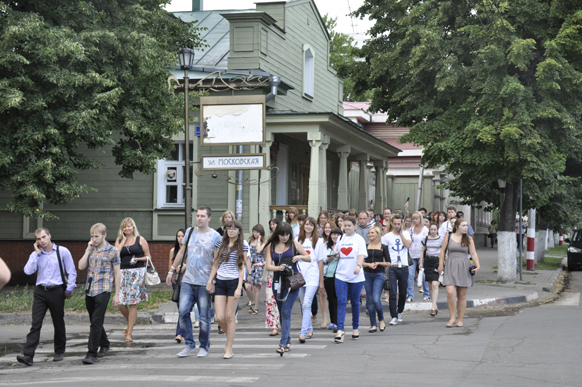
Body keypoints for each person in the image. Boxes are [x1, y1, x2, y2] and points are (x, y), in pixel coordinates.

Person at [166, 206, 222, 358]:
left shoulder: (216, 236)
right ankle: (189, 344)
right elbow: (181, 253)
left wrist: (211, 281)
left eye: (203, 216)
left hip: (204, 282)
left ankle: (204, 346)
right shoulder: (190, 232)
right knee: (183, 312)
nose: (199, 218)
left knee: (204, 317)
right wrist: (171, 270)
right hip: (188, 281)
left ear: (209, 218)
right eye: (198, 215)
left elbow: (217, 261)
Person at [17, 227, 77, 366]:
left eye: (43, 237)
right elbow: (28, 271)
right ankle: (28, 355)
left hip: (57, 291)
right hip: (40, 292)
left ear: (49, 236)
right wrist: (37, 254)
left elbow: (71, 271)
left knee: (58, 321)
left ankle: (59, 351)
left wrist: (69, 288)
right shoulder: (36, 254)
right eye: (38, 239)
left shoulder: (62, 251)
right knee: (35, 323)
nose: (42, 240)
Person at [77, 223, 121, 364]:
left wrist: (117, 294)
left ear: (104, 235)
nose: (94, 239)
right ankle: (105, 343)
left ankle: (91, 353)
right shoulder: (92, 249)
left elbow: (117, 272)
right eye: (92, 236)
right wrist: (88, 250)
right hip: (90, 289)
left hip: (104, 288)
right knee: (94, 320)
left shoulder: (113, 251)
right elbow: (81, 266)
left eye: (97, 236)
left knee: (96, 321)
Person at [265, 223, 310, 355]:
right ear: (277, 234)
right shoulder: (271, 246)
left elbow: (309, 257)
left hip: (292, 281)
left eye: (287, 234)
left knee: (286, 311)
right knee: (281, 312)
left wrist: (299, 257)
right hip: (277, 281)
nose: (285, 237)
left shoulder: (294, 244)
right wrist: (279, 268)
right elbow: (268, 266)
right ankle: (288, 339)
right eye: (282, 235)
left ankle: (283, 343)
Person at [207, 220, 248, 359]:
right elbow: (216, 263)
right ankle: (230, 337)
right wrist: (210, 281)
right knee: (220, 317)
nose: (231, 231)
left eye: (234, 229)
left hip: (233, 281)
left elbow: (242, 267)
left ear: (239, 231)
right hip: (220, 281)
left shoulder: (243, 245)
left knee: (230, 317)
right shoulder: (221, 243)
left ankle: (229, 348)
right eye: (229, 228)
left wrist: (239, 287)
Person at [438, 218, 481, 328]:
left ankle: (460, 319)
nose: (466, 227)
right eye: (463, 225)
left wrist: (477, 265)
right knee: (450, 293)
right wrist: (440, 264)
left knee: (461, 295)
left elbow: (473, 253)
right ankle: (452, 317)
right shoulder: (449, 236)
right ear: (457, 227)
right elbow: (442, 251)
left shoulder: (468, 239)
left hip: (464, 266)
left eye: (466, 225)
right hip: (451, 266)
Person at [115, 217, 150, 343]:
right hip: (122, 273)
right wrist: (123, 241)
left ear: (133, 227)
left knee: (133, 302)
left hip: (137, 273)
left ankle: (129, 333)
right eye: (125, 226)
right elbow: (115, 255)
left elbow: (148, 257)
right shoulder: (119, 240)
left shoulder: (140, 240)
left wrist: (138, 259)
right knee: (120, 302)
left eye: (129, 226)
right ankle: (131, 323)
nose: (127, 228)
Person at [333, 216, 367, 343]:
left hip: (356, 276)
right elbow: (338, 253)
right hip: (341, 275)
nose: (346, 228)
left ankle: (355, 328)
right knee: (341, 301)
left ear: (354, 225)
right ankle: (340, 330)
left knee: (354, 302)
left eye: (349, 225)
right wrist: (336, 255)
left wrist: (358, 266)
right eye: (345, 225)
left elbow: (361, 254)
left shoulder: (359, 239)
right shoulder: (341, 238)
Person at [296, 217, 326, 342]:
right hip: (299, 276)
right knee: (304, 305)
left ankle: (302, 332)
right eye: (306, 224)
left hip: (312, 276)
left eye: (311, 225)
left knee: (307, 303)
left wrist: (321, 281)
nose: (308, 227)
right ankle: (309, 329)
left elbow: (320, 262)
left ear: (315, 227)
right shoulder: (298, 240)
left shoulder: (318, 241)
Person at [381, 214, 411, 326]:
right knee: (392, 292)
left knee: (403, 293)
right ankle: (393, 315)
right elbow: (383, 251)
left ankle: (400, 312)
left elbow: (408, 245)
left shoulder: (406, 233)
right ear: (392, 224)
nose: (397, 226)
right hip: (392, 267)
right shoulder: (387, 236)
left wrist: (402, 233)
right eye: (395, 224)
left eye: (399, 223)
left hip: (403, 266)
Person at [363, 226, 389, 333]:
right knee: (369, 300)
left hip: (379, 274)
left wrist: (378, 263)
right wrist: (369, 265)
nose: (370, 235)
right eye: (369, 233)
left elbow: (388, 262)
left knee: (375, 299)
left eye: (372, 233)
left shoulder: (383, 247)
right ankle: (373, 324)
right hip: (367, 274)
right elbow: (360, 262)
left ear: (377, 234)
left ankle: (381, 319)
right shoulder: (365, 246)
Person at [419, 223, 444, 316]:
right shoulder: (426, 239)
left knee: (435, 284)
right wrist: (421, 262)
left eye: (434, 229)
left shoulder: (441, 239)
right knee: (430, 285)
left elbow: (444, 251)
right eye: (431, 229)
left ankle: (433, 307)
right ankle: (435, 305)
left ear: (437, 230)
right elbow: (422, 251)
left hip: (437, 262)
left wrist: (443, 263)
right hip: (428, 261)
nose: (433, 231)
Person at [407, 212, 430, 302]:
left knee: (423, 275)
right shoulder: (411, 229)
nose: (415, 220)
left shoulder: (425, 230)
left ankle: (426, 294)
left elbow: (425, 244)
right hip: (412, 254)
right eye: (414, 219)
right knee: (410, 275)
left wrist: (422, 258)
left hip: (422, 255)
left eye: (417, 218)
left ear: (420, 219)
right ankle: (410, 295)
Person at [168, 229, 186, 343]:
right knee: (181, 307)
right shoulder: (173, 250)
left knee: (184, 308)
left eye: (183, 236)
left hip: (188, 280)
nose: (180, 238)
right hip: (177, 281)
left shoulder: (189, 250)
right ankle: (182, 332)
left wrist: (185, 266)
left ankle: (180, 333)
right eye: (178, 236)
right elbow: (170, 267)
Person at [265, 218, 281, 336]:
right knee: (271, 300)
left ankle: (282, 323)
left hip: (283, 274)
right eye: (271, 224)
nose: (273, 226)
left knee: (282, 300)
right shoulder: (270, 242)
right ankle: (274, 325)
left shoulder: (287, 241)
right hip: (272, 274)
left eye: (275, 224)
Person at [324, 227, 342, 331]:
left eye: (338, 234)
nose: (335, 236)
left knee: (339, 299)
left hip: (340, 274)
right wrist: (332, 257)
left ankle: (339, 321)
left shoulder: (343, 246)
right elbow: (323, 260)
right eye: (333, 234)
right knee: (331, 299)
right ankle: (333, 322)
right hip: (329, 275)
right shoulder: (326, 246)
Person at [248, 224, 267, 315]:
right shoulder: (249, 240)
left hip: (258, 264)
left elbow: (259, 251)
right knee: (247, 286)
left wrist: (259, 240)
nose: (255, 234)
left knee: (256, 287)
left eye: (257, 232)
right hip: (250, 264)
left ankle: (256, 307)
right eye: (254, 231)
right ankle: (252, 302)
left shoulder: (264, 241)